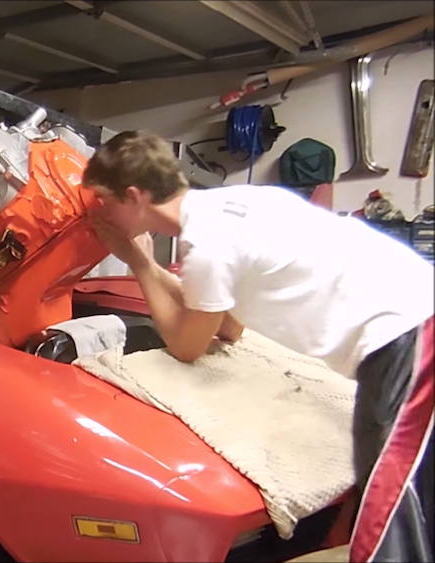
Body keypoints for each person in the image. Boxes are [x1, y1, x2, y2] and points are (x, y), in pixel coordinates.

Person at [81, 131, 434, 563]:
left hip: (406, 331)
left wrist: (139, 262)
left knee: (387, 506)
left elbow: (186, 345)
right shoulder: (236, 206)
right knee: (414, 493)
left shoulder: (208, 247)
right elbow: (226, 327)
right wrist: (153, 268)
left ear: (133, 196)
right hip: (412, 318)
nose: (100, 210)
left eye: (103, 199)